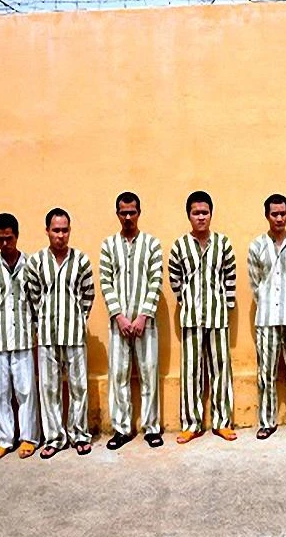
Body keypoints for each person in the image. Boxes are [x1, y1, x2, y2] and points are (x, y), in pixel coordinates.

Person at [168, 191, 237, 444]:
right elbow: (174, 278)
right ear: (189, 215)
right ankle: (192, 424)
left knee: (221, 370)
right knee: (191, 372)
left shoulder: (223, 244)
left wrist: (225, 305)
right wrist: (185, 300)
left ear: (211, 214)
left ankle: (222, 422)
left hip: (218, 316)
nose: (201, 217)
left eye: (204, 212)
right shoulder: (180, 246)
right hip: (191, 318)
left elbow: (230, 277)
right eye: (196, 213)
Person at [27, 208, 95, 458]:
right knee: (49, 388)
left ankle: (80, 435)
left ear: (70, 231)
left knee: (79, 387)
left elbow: (88, 295)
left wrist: (77, 318)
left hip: (74, 334)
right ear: (47, 231)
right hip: (47, 334)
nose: (60, 235)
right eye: (56, 230)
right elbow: (33, 296)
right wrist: (43, 321)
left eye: (65, 230)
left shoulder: (81, 260)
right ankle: (54, 437)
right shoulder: (36, 262)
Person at [99, 192, 164, 449]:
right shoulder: (108, 245)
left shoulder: (152, 244)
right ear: (117, 214)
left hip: (145, 323)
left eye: (132, 212)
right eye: (123, 213)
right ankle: (122, 429)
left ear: (139, 213)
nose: (128, 217)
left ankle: (152, 428)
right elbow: (105, 281)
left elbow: (156, 280)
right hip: (119, 324)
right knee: (119, 376)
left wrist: (142, 316)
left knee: (149, 374)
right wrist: (119, 316)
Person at [0, 213, 40, 459]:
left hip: (23, 338)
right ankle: (4, 439)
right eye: (0, 239)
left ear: (17, 236)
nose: (5, 243)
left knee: (26, 391)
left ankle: (29, 438)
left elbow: (36, 301)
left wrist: (36, 332)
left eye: (9, 238)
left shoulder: (30, 264)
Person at [247, 194, 286, 439]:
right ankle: (267, 421)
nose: (279, 218)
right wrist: (265, 301)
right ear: (267, 216)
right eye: (275, 214)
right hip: (266, 318)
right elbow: (255, 282)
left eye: (283, 213)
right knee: (266, 372)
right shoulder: (257, 245)